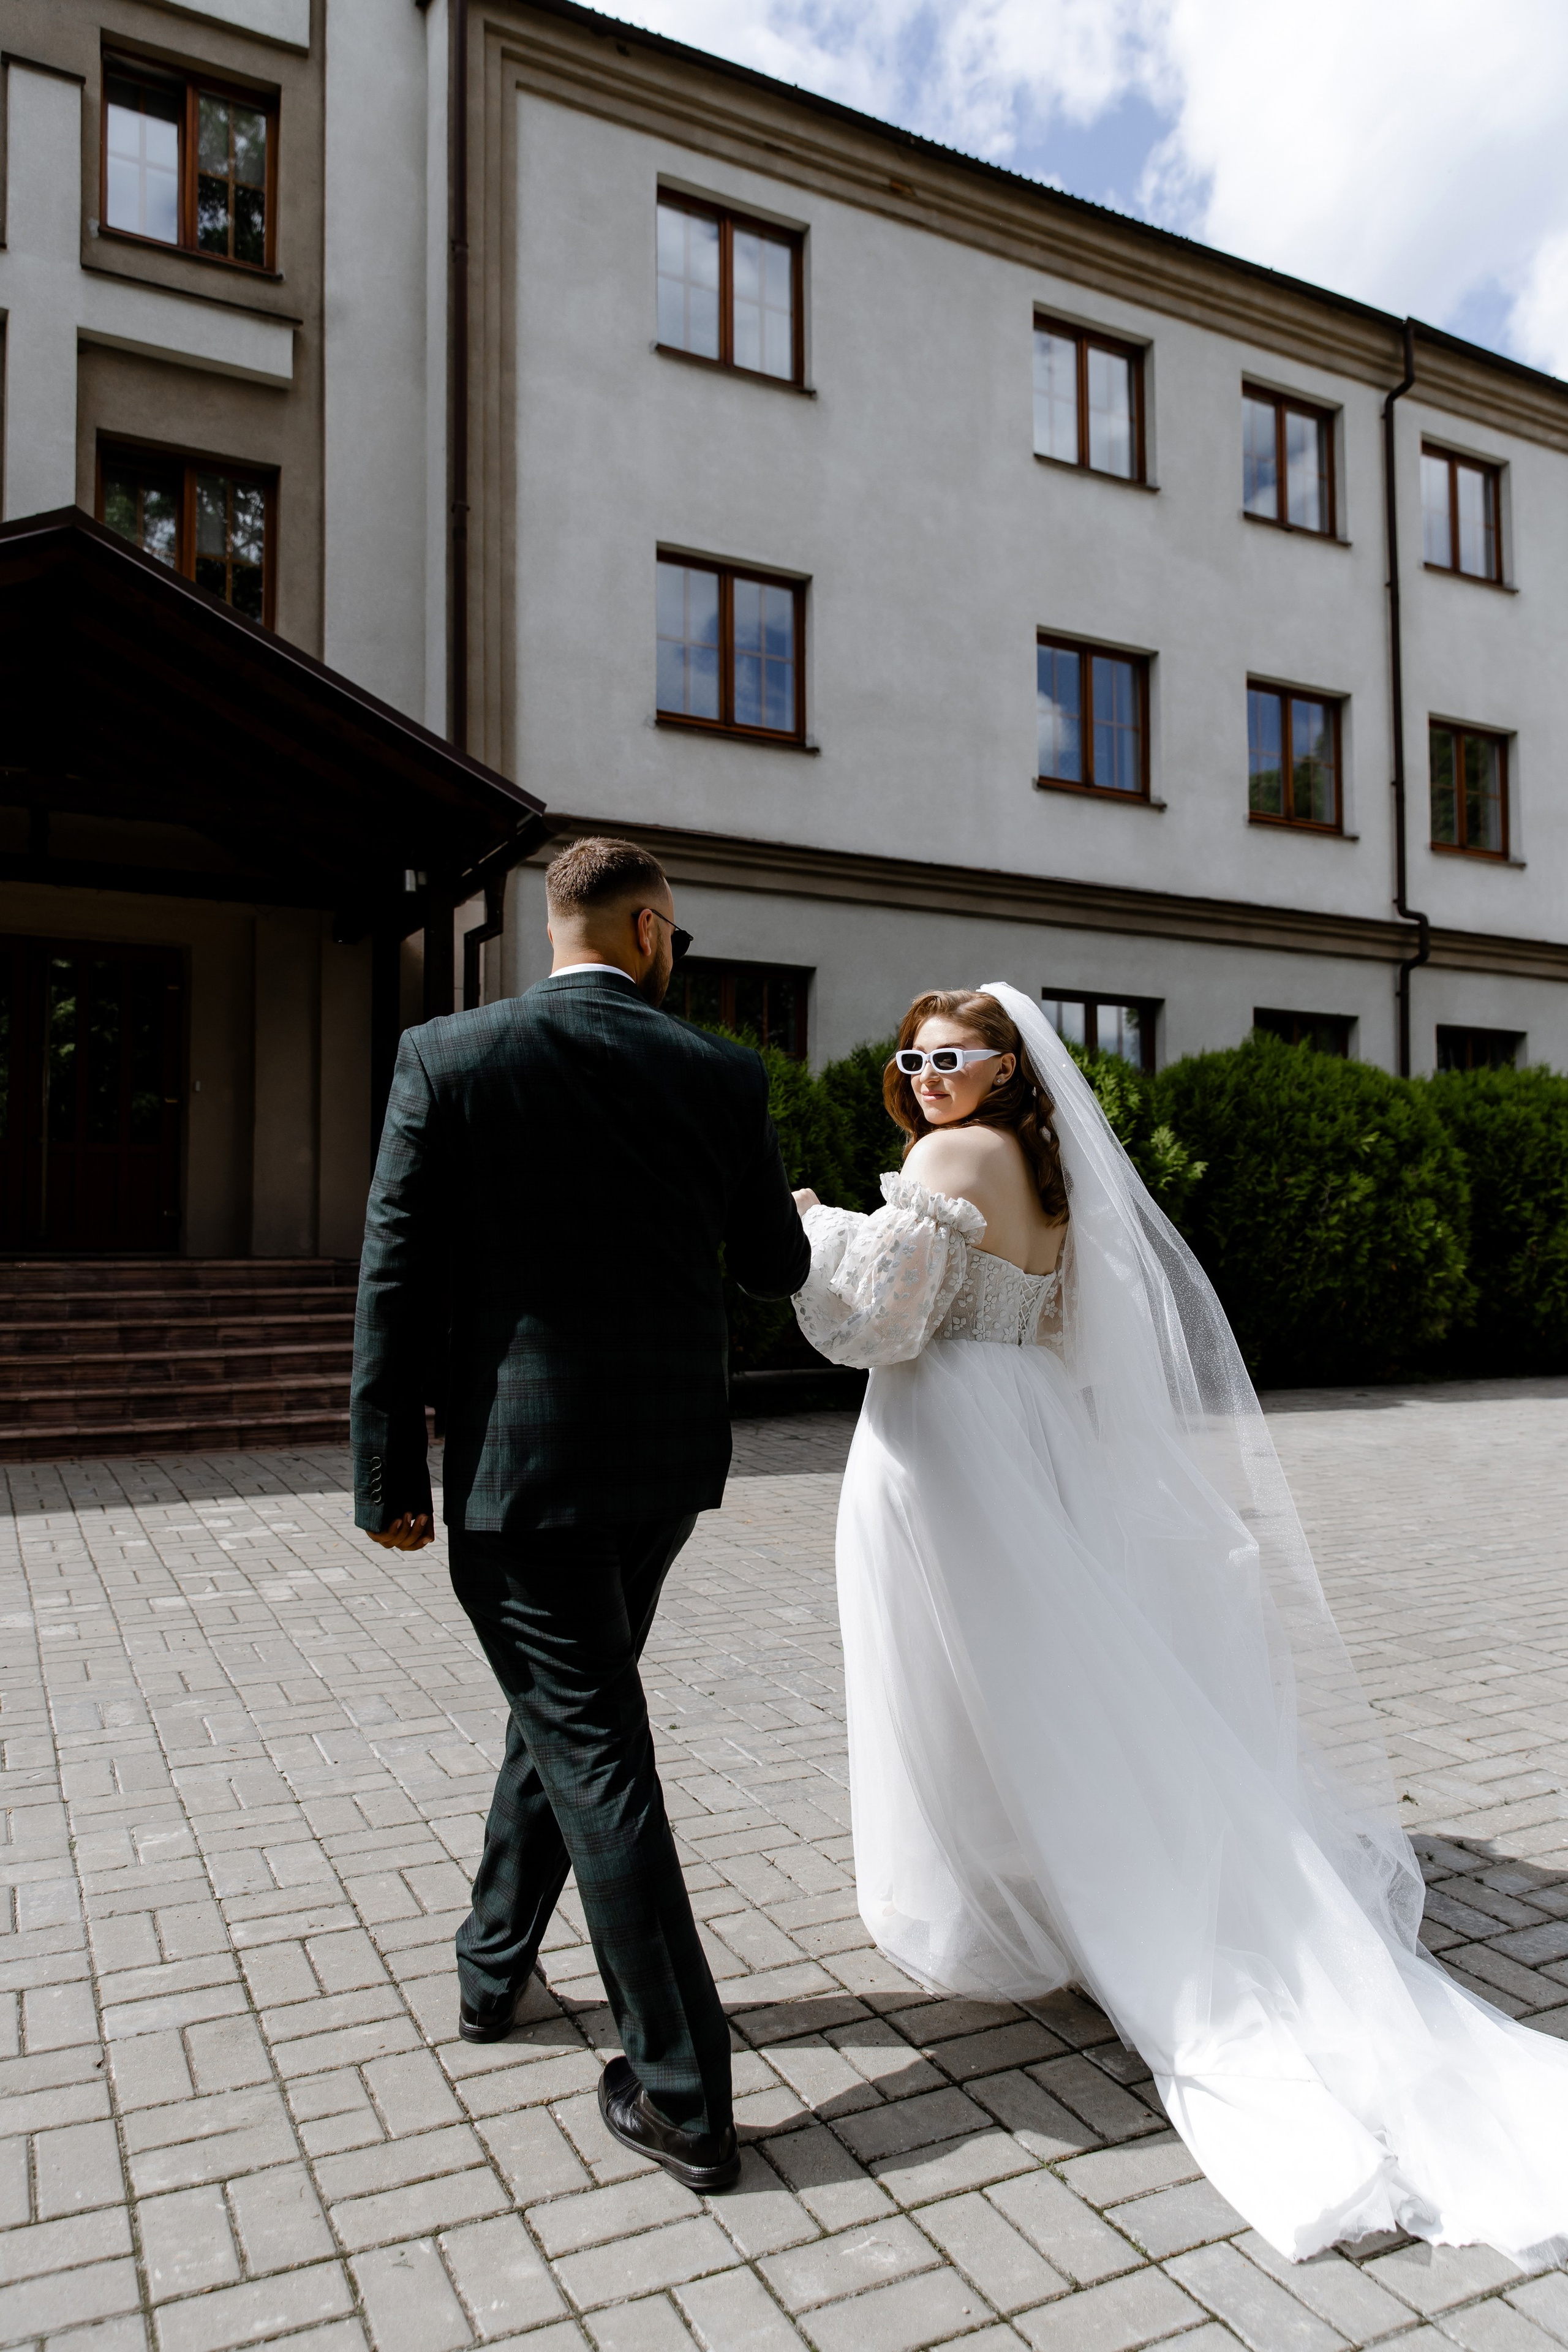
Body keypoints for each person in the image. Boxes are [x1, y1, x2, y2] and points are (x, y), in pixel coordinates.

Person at [790, 981, 1568, 2264]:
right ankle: (1063, 1873)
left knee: (966, 1675)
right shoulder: (1043, 1171)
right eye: (912, 1061)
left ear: (1003, 1066)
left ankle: (1024, 1899)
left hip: (947, 1440)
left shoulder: (948, 1159)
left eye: (950, 1058)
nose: (926, 1079)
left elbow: (875, 1326)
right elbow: (1053, 1324)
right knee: (1041, 1674)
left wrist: (812, 1231)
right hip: (1020, 1427)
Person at [350, 835, 810, 2193]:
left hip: (521, 1473)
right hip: (662, 1468)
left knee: (588, 1740)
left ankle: (684, 2096)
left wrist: (387, 1474)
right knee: (566, 1716)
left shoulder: (450, 1056)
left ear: (556, 927)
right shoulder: (722, 1073)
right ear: (651, 929)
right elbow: (773, 1264)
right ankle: (492, 1964)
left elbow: (394, 1274)